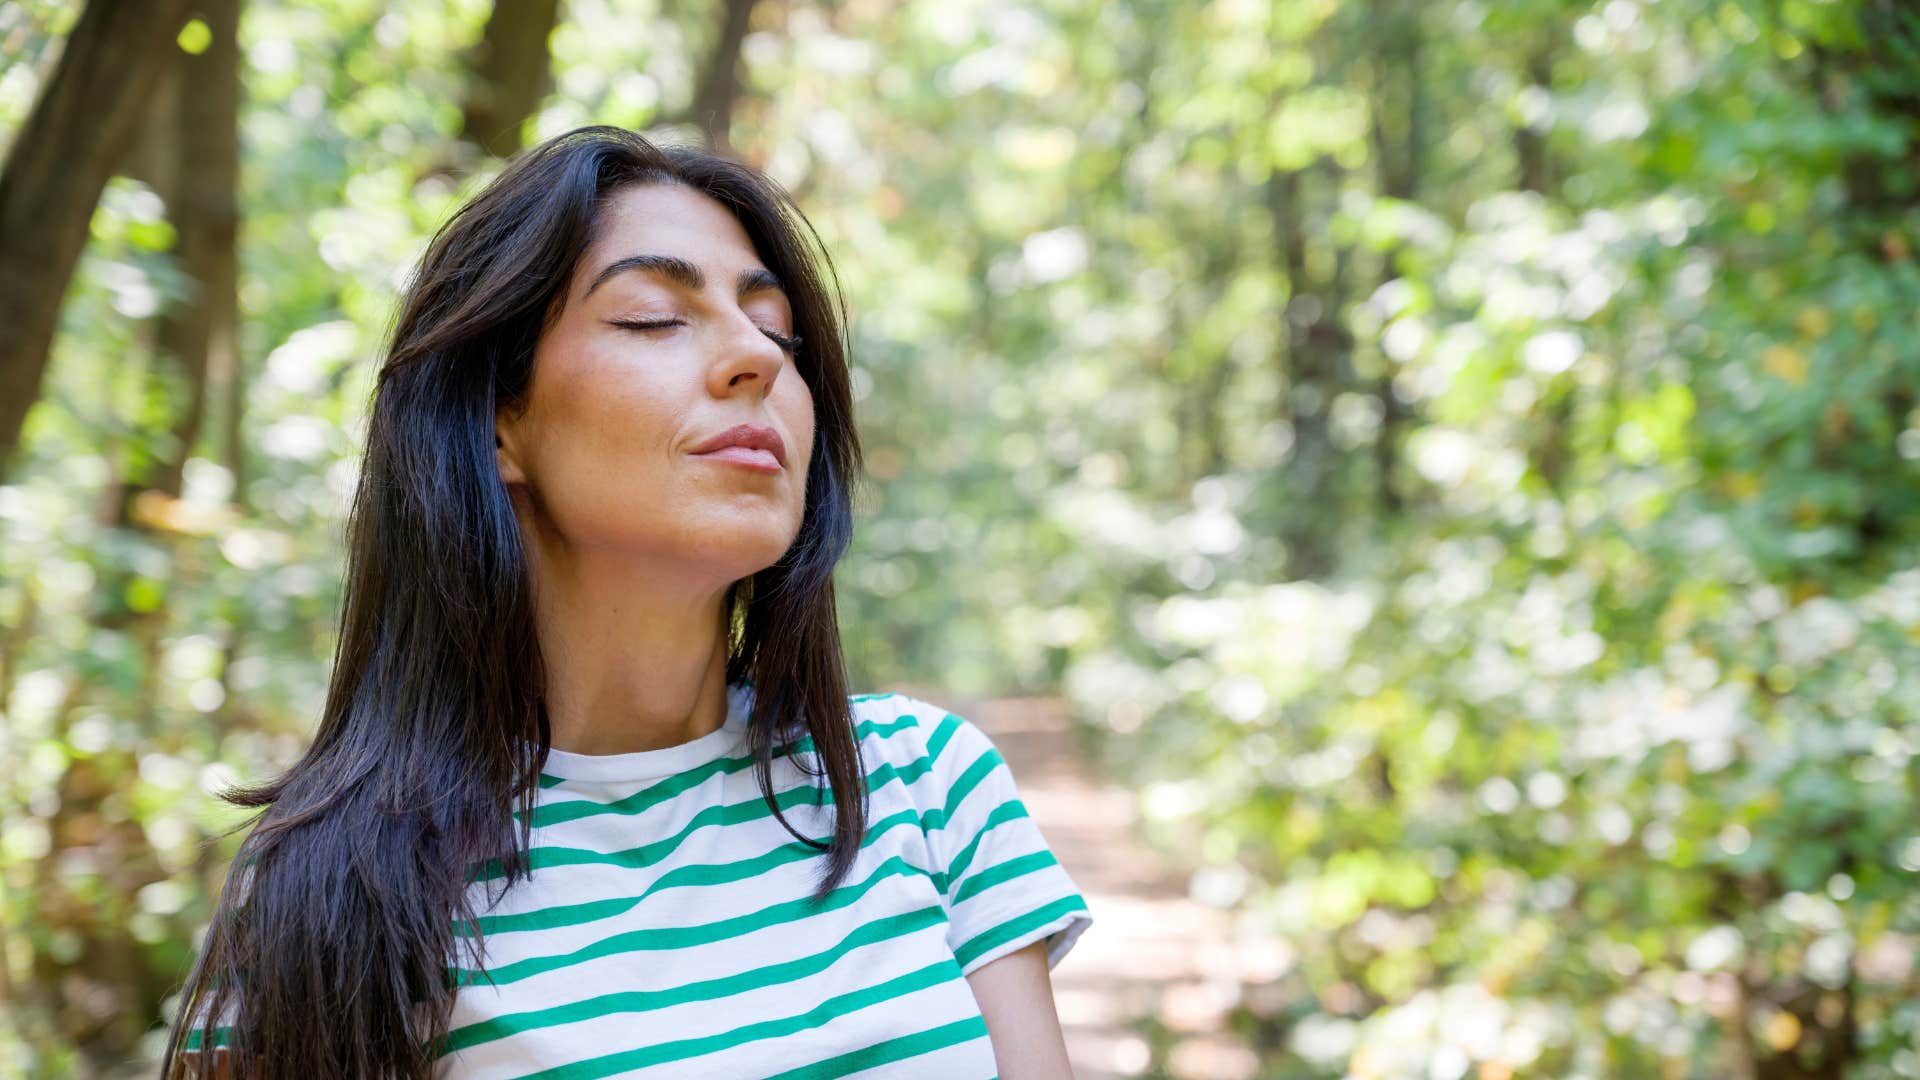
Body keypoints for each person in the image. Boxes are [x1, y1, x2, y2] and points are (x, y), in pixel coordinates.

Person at [161, 125, 1092, 1079]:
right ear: (499, 423)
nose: (758, 358)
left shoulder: (924, 783)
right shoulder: (332, 892)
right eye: (653, 317)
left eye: (777, 331)